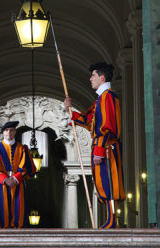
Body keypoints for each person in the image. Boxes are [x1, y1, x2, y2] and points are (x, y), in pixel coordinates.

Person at [64, 62, 126, 229]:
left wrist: (99, 150)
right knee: (103, 184)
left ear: (102, 77)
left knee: (110, 184)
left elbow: (107, 126)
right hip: (102, 148)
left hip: (106, 149)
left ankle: (113, 220)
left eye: (93, 75)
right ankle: (109, 219)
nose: (90, 78)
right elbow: (88, 120)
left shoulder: (108, 97)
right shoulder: (101, 99)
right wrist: (70, 111)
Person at [0, 121, 36, 228]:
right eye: (7, 130)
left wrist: (16, 178)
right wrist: (5, 179)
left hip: (18, 183)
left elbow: (27, 167)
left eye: (12, 130)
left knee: (19, 210)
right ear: (3, 132)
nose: (9, 132)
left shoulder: (22, 148)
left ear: (15, 132)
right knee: (1, 211)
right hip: (2, 184)